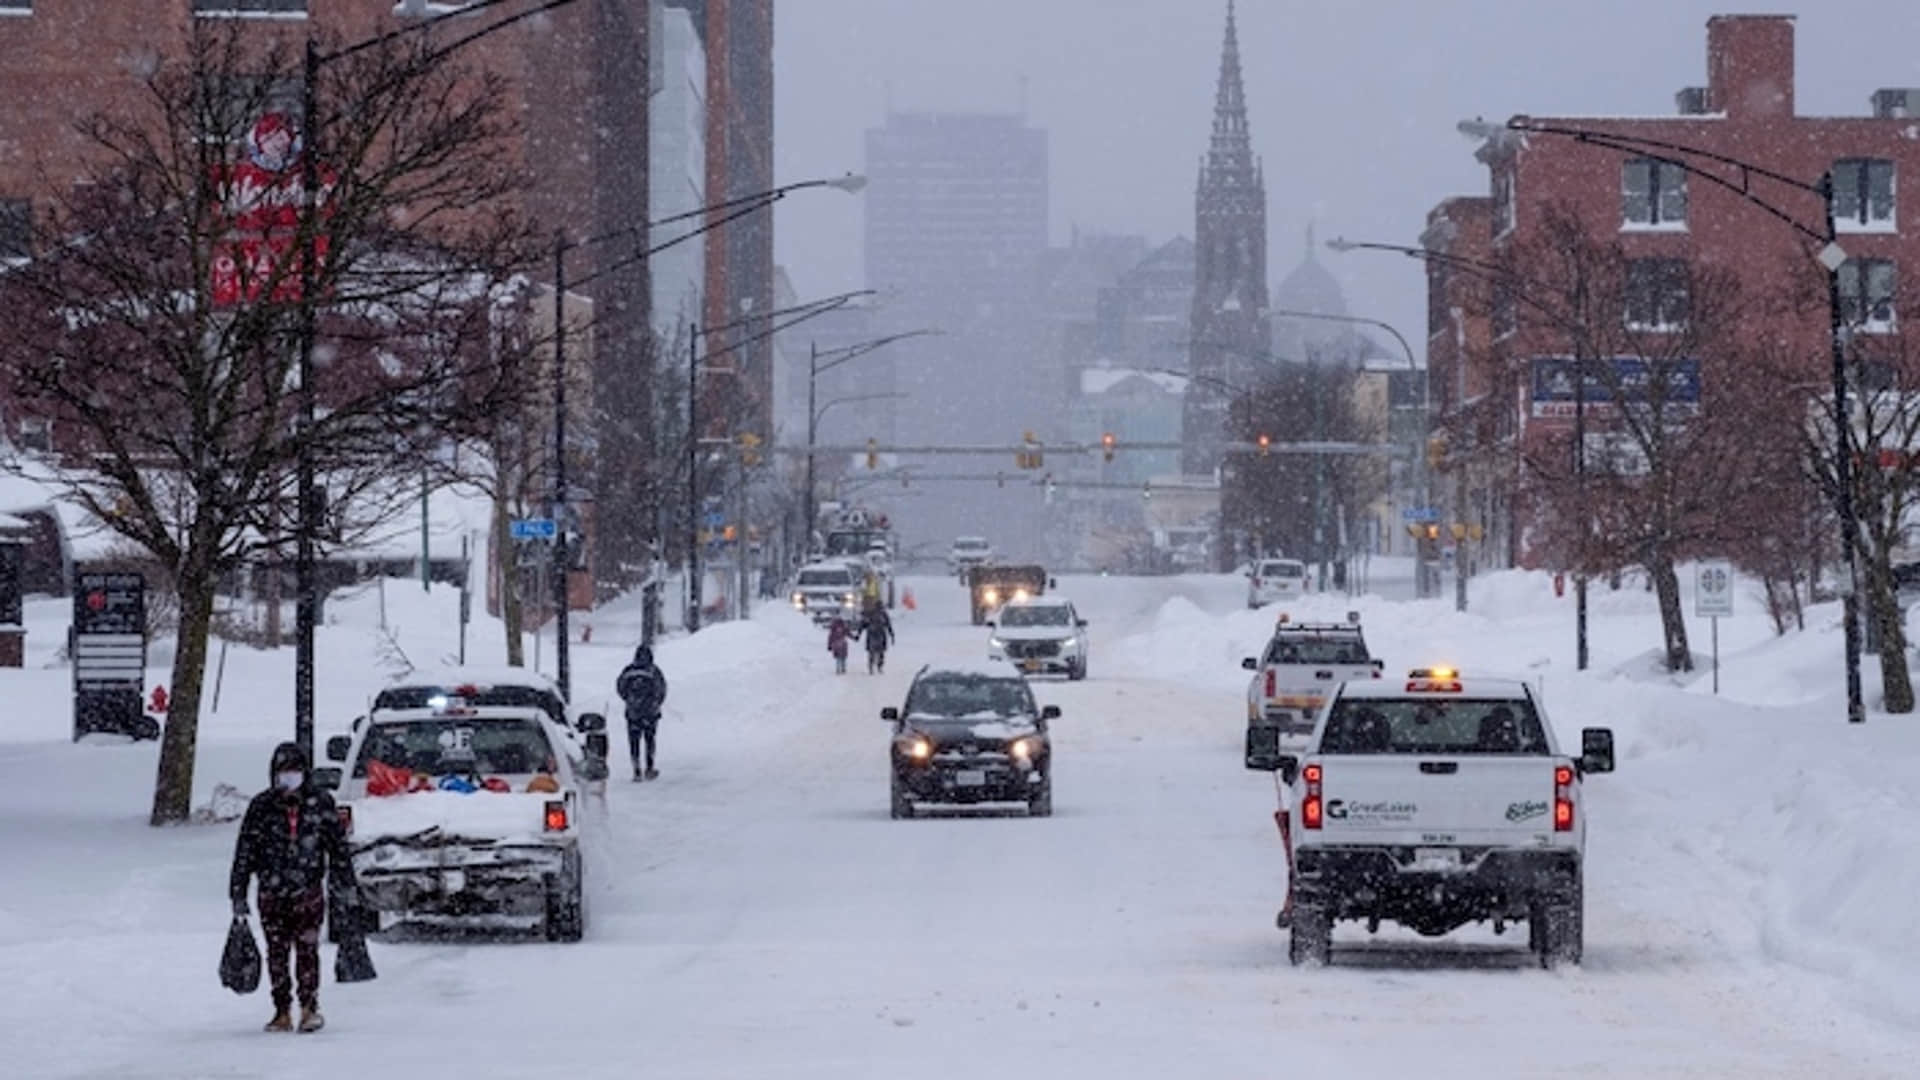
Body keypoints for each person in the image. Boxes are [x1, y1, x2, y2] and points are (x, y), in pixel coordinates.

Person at [229, 742, 357, 1034]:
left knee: (307, 950)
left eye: (294, 770)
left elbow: (337, 847)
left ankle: (309, 1007)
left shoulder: (320, 803)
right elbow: (245, 851)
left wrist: (345, 883)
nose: (289, 777)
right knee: (277, 951)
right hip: (272, 892)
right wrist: (238, 891)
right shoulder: (262, 807)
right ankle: (282, 1009)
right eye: (283, 771)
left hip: (307, 890)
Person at [616, 644, 668, 781]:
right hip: (650, 712)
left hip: (633, 712)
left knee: (634, 741)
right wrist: (656, 703)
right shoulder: (653, 671)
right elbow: (661, 689)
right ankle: (649, 768)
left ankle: (636, 769)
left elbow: (620, 687)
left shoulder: (629, 670)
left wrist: (630, 700)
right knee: (649, 740)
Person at [860, 600, 894, 675]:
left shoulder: (871, 613)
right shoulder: (883, 614)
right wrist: (892, 635)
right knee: (880, 652)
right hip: (880, 635)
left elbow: (863, 624)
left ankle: (872, 667)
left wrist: (859, 634)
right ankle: (879, 667)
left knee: (872, 652)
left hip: (872, 634)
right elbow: (888, 625)